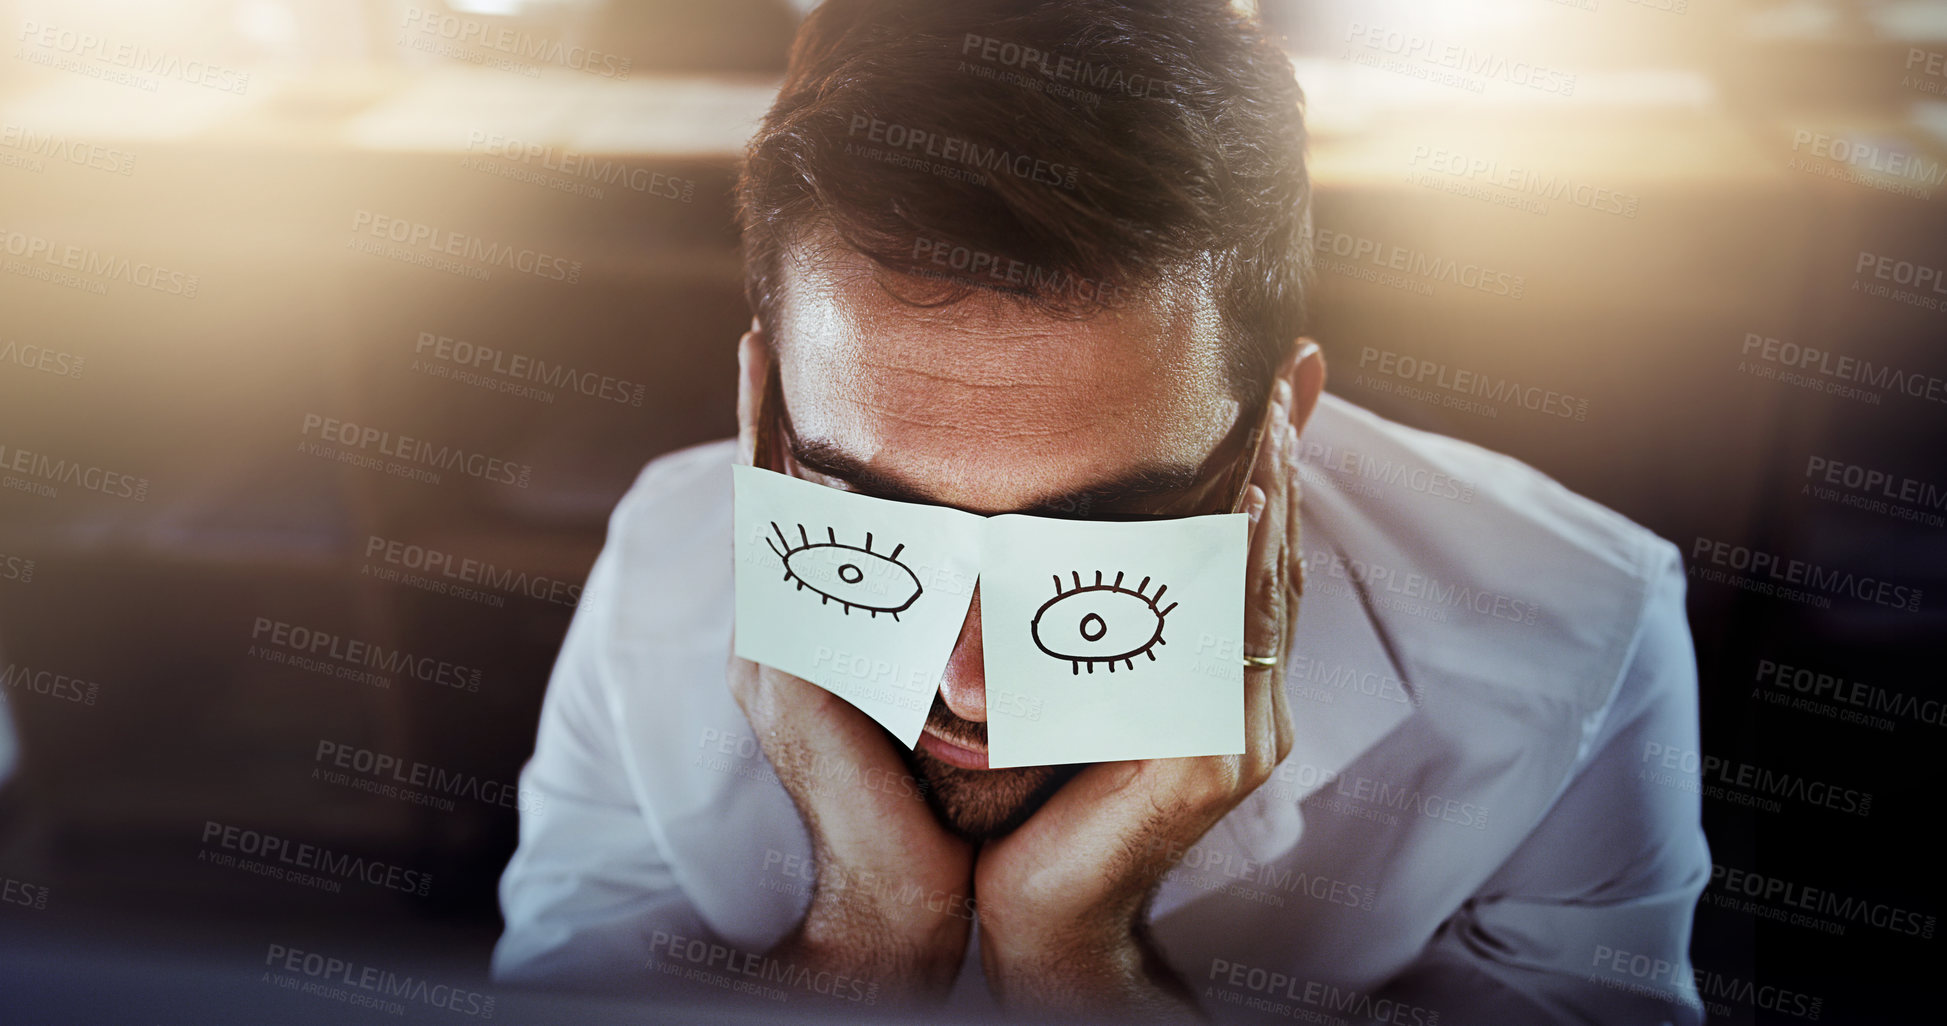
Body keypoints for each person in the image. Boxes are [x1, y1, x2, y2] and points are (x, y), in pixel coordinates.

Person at [493, 1, 1710, 1021]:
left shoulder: (1578, 634)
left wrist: (1078, 962)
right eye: (871, 514)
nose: (970, 683)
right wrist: (870, 931)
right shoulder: (665, 553)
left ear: (1280, 428)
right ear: (762, 403)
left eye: (1103, 532)